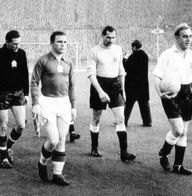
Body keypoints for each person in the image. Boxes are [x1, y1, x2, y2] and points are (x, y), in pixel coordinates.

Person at [153, 23, 192, 175]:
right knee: (177, 130)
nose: (188, 39)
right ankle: (164, 153)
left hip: (186, 93)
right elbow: (157, 76)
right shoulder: (167, 55)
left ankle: (178, 165)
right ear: (177, 37)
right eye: (185, 36)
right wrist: (160, 93)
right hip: (170, 95)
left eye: (190, 36)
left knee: (184, 132)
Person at [31, 31, 76, 186]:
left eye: (65, 42)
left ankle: (57, 174)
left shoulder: (68, 62)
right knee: (53, 140)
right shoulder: (43, 61)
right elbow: (34, 82)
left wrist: (73, 106)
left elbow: (72, 86)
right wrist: (36, 103)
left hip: (63, 103)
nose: (63, 45)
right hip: (47, 102)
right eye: (59, 42)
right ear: (52, 43)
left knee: (62, 139)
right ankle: (42, 162)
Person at [87, 26, 136, 162]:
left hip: (115, 85)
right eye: (108, 37)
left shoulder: (118, 49)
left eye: (113, 37)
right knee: (96, 119)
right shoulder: (94, 51)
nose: (111, 40)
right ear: (102, 36)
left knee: (121, 119)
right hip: (99, 84)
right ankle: (94, 147)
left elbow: (121, 70)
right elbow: (91, 74)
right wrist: (100, 91)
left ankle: (124, 153)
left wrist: (123, 91)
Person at [0, 30, 29, 168]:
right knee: (3, 125)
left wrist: (26, 93)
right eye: (14, 44)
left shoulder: (21, 53)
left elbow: (25, 74)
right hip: (2, 93)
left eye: (19, 43)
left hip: (18, 92)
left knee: (21, 125)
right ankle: (3, 158)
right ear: (7, 42)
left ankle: (8, 146)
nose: (17, 46)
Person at [123, 40, 152, 127]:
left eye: (132, 47)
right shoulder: (145, 55)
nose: (131, 49)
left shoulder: (133, 56)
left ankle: (123, 121)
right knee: (144, 104)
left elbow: (127, 67)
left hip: (132, 85)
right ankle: (147, 121)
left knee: (128, 104)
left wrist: (124, 59)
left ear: (135, 47)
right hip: (143, 84)